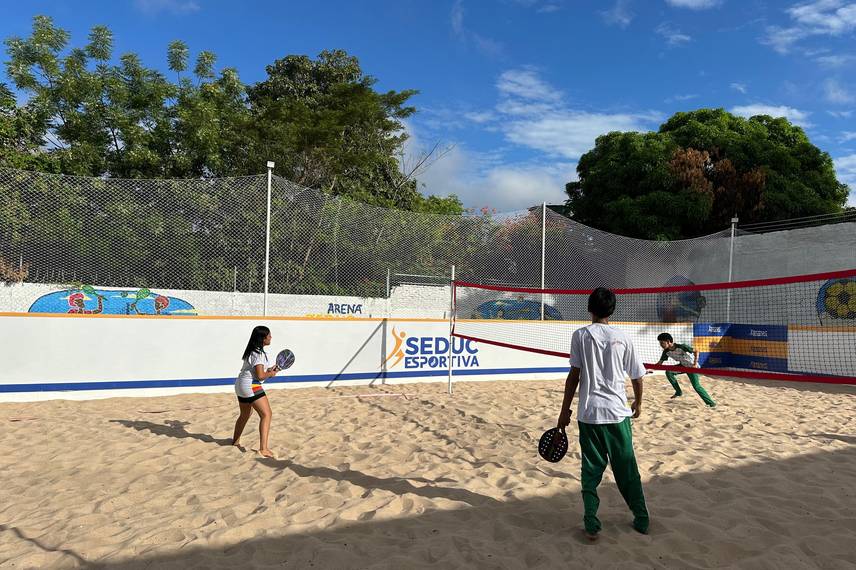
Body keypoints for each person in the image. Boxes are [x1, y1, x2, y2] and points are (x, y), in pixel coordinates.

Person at [557, 287, 649, 540]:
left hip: (589, 414)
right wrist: (639, 404)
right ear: (612, 310)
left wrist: (564, 412)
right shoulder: (624, 337)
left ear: (590, 308)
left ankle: (591, 522)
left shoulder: (580, 335)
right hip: (618, 414)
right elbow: (638, 377)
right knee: (627, 468)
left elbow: (573, 376)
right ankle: (641, 518)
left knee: (590, 470)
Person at [232, 325, 280, 457]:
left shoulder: (253, 351)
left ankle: (235, 441)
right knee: (267, 414)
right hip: (250, 386)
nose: (271, 337)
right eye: (269, 335)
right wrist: (270, 374)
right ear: (263, 338)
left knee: (245, 414)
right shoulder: (258, 354)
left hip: (240, 384)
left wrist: (270, 370)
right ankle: (263, 449)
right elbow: (260, 376)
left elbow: (257, 371)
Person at [655, 333, 716, 407]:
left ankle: (711, 403)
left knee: (696, 386)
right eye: (660, 343)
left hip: (691, 367)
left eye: (662, 343)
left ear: (668, 341)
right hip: (682, 366)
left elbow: (696, 351)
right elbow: (659, 363)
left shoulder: (681, 346)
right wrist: (647, 367)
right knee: (669, 372)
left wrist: (695, 364)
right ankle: (678, 392)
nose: (661, 345)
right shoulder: (666, 352)